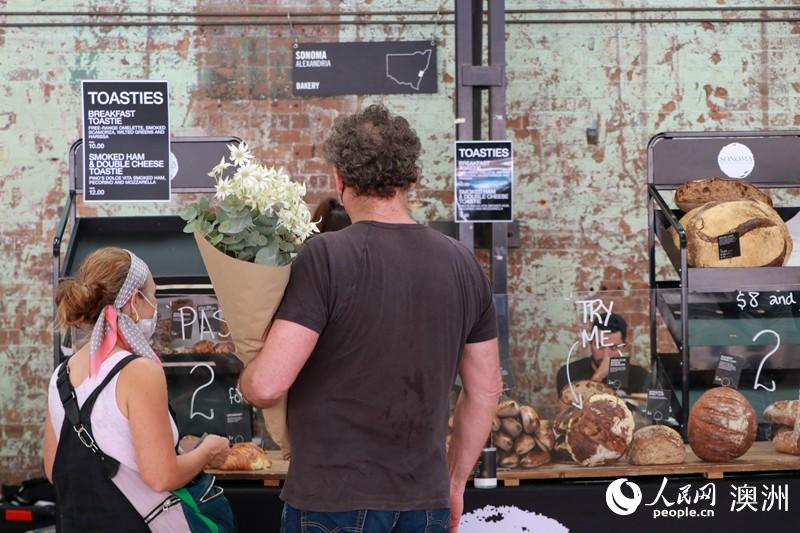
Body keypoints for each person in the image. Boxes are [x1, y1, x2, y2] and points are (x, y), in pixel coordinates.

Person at [239, 104, 503, 533]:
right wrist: (455, 483)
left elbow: (267, 385)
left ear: (339, 178)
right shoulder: (463, 263)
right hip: (425, 502)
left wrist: (247, 372)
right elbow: (486, 389)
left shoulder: (325, 256)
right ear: (411, 181)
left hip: (333, 499)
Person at [44, 247, 230, 532]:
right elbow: (161, 477)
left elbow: (54, 470)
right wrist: (207, 450)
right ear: (133, 301)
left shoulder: (61, 376)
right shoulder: (139, 372)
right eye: (153, 296)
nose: (155, 306)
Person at [555, 312, 650, 396]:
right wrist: (598, 377)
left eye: (613, 347)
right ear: (591, 344)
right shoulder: (569, 373)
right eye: (600, 346)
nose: (606, 356)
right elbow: (569, 413)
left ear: (623, 347)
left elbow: (649, 412)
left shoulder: (639, 376)